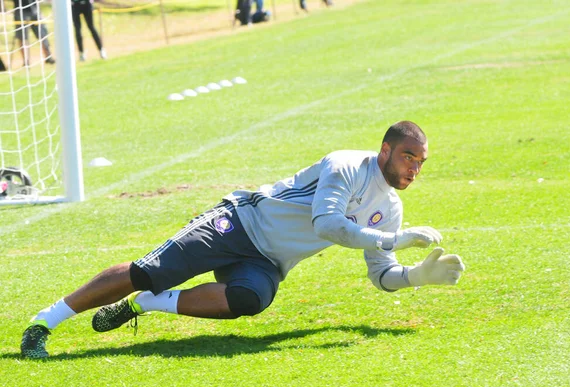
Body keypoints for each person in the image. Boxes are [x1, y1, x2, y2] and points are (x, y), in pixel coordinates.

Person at [20, 121, 466, 359]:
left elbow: (381, 274)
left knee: (251, 299)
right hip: (237, 222)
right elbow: (327, 225)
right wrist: (394, 236)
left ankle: (149, 304)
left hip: (266, 260)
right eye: (408, 156)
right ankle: (44, 323)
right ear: (385, 150)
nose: (414, 169)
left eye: (421, 163)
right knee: (146, 271)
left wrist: (415, 277)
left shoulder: (389, 208)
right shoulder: (346, 166)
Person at [12, 0, 55, 65]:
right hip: (20, 12)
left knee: (43, 35)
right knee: (23, 38)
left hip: (35, 10)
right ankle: (26, 61)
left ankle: (48, 57)